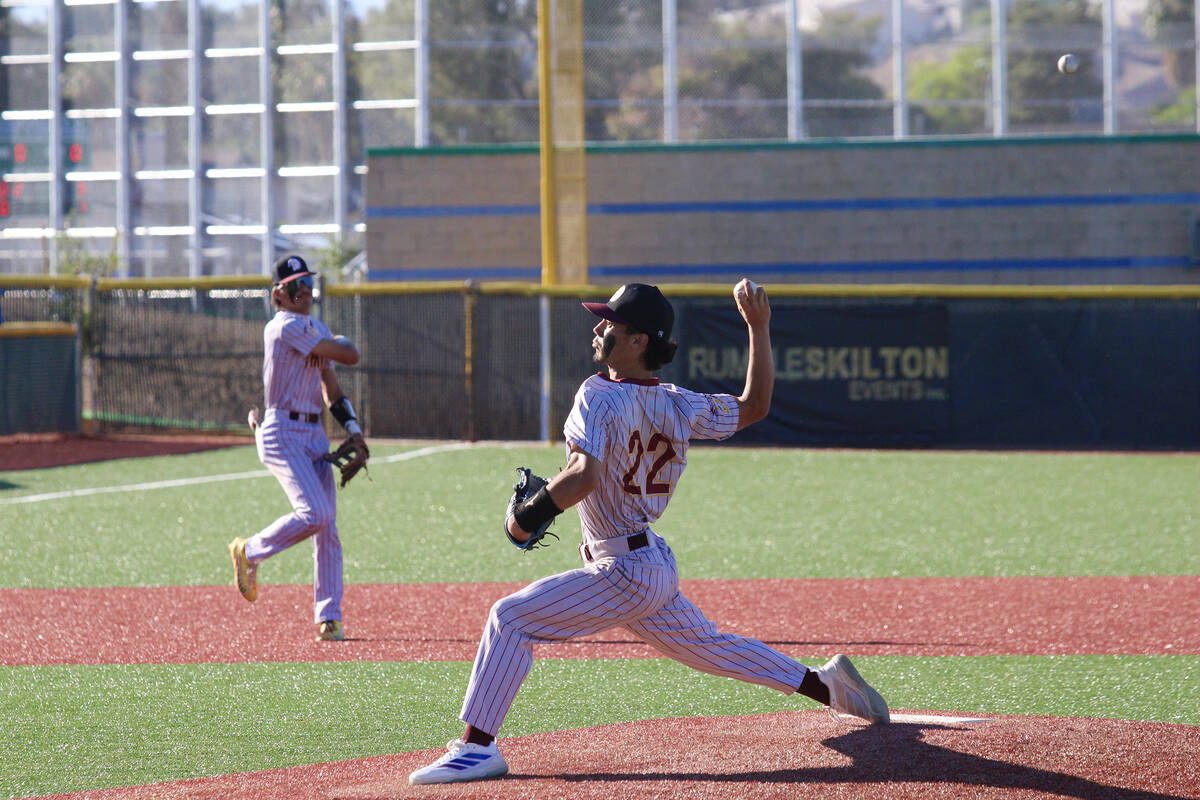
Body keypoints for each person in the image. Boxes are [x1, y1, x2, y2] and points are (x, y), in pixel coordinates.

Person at [408, 280, 889, 785]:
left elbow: (583, 477)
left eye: (610, 322)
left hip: (624, 570)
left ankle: (476, 748)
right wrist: (759, 327)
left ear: (639, 340)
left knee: (509, 619)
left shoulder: (597, 392)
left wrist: (524, 518)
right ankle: (830, 687)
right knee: (710, 647)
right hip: (649, 564)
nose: (599, 327)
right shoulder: (679, 404)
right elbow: (755, 407)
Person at [228, 254, 367, 642]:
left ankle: (329, 616)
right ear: (279, 295)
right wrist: (337, 342)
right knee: (316, 513)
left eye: (308, 283)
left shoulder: (316, 328)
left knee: (328, 528)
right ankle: (249, 551)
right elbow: (350, 353)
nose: (304, 290)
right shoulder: (283, 327)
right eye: (295, 285)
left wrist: (353, 429)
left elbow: (332, 390)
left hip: (312, 434)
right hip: (282, 431)